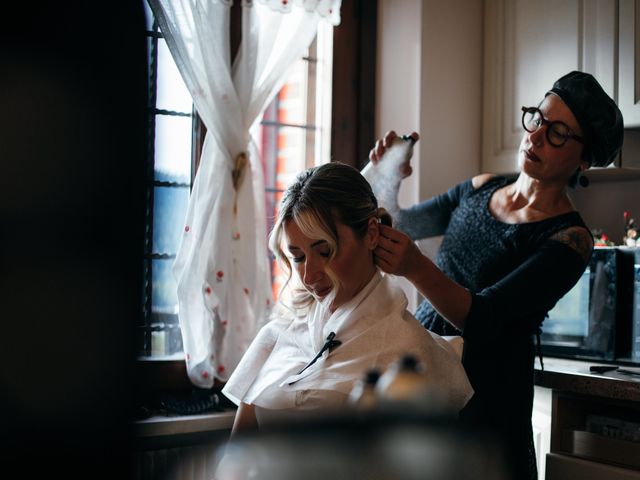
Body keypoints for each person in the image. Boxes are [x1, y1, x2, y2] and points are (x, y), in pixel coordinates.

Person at [367, 70, 624, 480]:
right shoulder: (481, 186)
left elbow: (483, 318)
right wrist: (388, 175)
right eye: (537, 119)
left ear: (585, 158)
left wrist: (414, 266)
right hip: (424, 375)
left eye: (557, 133)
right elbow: (401, 224)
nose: (536, 136)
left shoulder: (570, 239)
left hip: (486, 403)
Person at [221, 162, 473, 436]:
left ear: (372, 234)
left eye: (325, 251)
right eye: (298, 257)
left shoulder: (410, 354)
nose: (309, 275)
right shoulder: (278, 335)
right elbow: (234, 456)